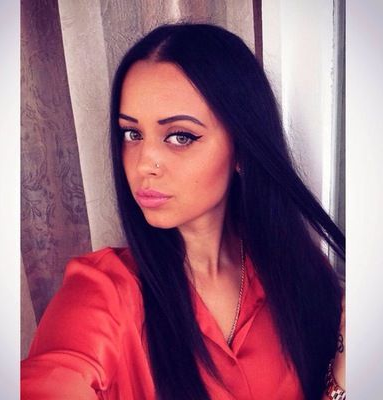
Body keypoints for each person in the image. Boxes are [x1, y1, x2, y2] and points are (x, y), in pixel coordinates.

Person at [21, 23, 345, 400]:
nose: (144, 164)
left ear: (242, 149)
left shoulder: (298, 275)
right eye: (132, 134)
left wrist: (343, 374)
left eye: (180, 136)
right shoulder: (103, 294)